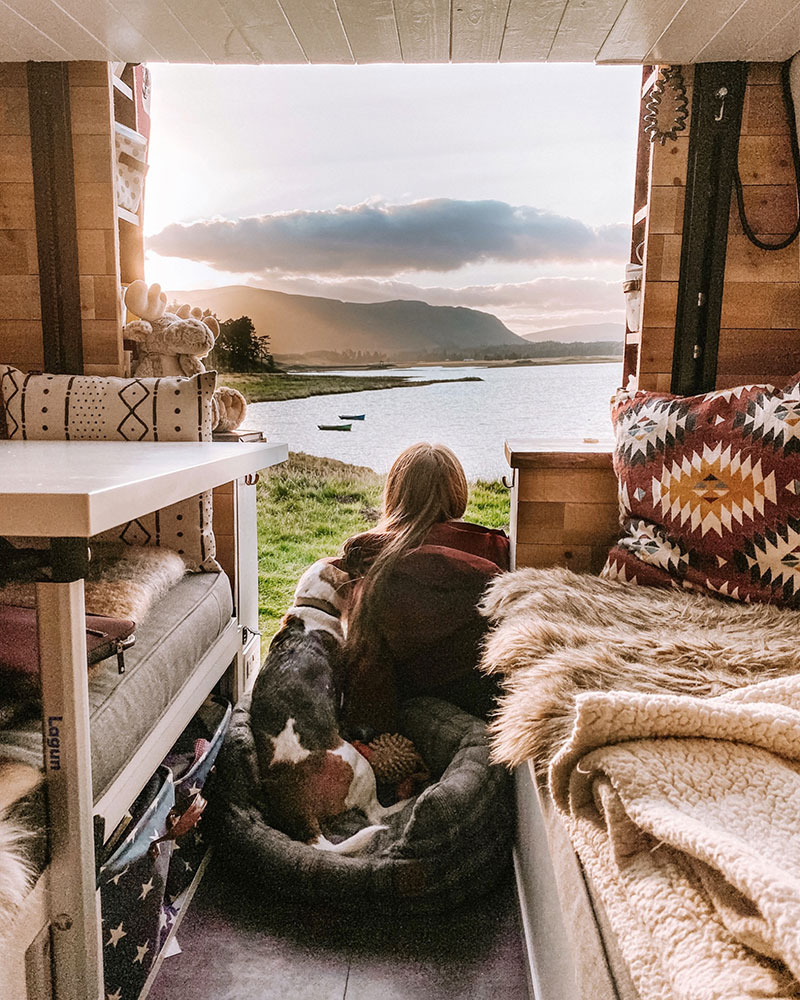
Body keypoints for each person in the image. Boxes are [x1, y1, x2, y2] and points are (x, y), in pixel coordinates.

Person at [337, 442, 510, 733]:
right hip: (478, 714)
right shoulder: (495, 550)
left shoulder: (363, 557)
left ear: (394, 493)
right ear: (458, 493)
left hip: (392, 720)